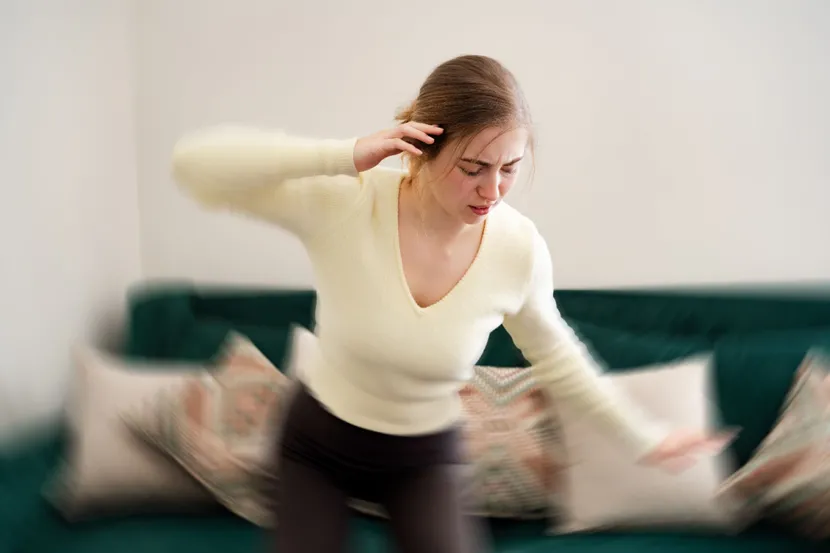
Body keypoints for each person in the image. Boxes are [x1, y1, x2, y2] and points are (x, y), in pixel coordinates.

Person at [171, 54, 732, 553]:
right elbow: (194, 166)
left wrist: (644, 436)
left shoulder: (517, 249)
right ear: (423, 149)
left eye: (509, 169)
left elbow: (559, 358)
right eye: (473, 169)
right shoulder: (348, 203)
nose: (493, 191)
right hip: (318, 445)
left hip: (422, 458)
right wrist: (344, 154)